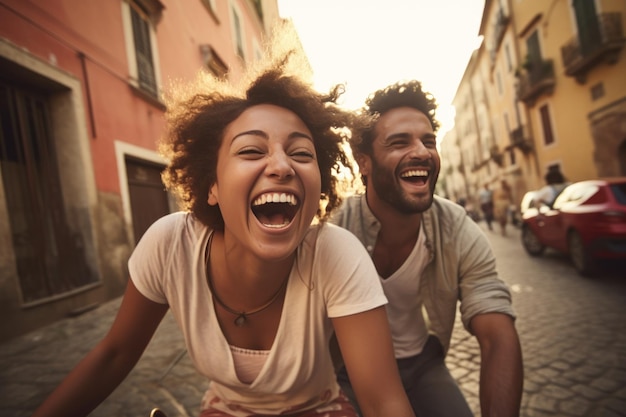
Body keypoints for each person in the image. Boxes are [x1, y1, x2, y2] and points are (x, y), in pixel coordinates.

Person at [31, 56, 414, 417]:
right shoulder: (170, 245)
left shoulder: (335, 253)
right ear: (211, 185)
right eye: (250, 150)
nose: (281, 165)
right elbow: (114, 355)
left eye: (300, 153)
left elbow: (382, 402)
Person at [330, 80, 523, 417]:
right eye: (399, 142)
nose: (421, 151)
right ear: (364, 162)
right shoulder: (334, 228)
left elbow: (497, 335)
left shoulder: (456, 226)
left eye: (428, 141)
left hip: (423, 366)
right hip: (345, 370)